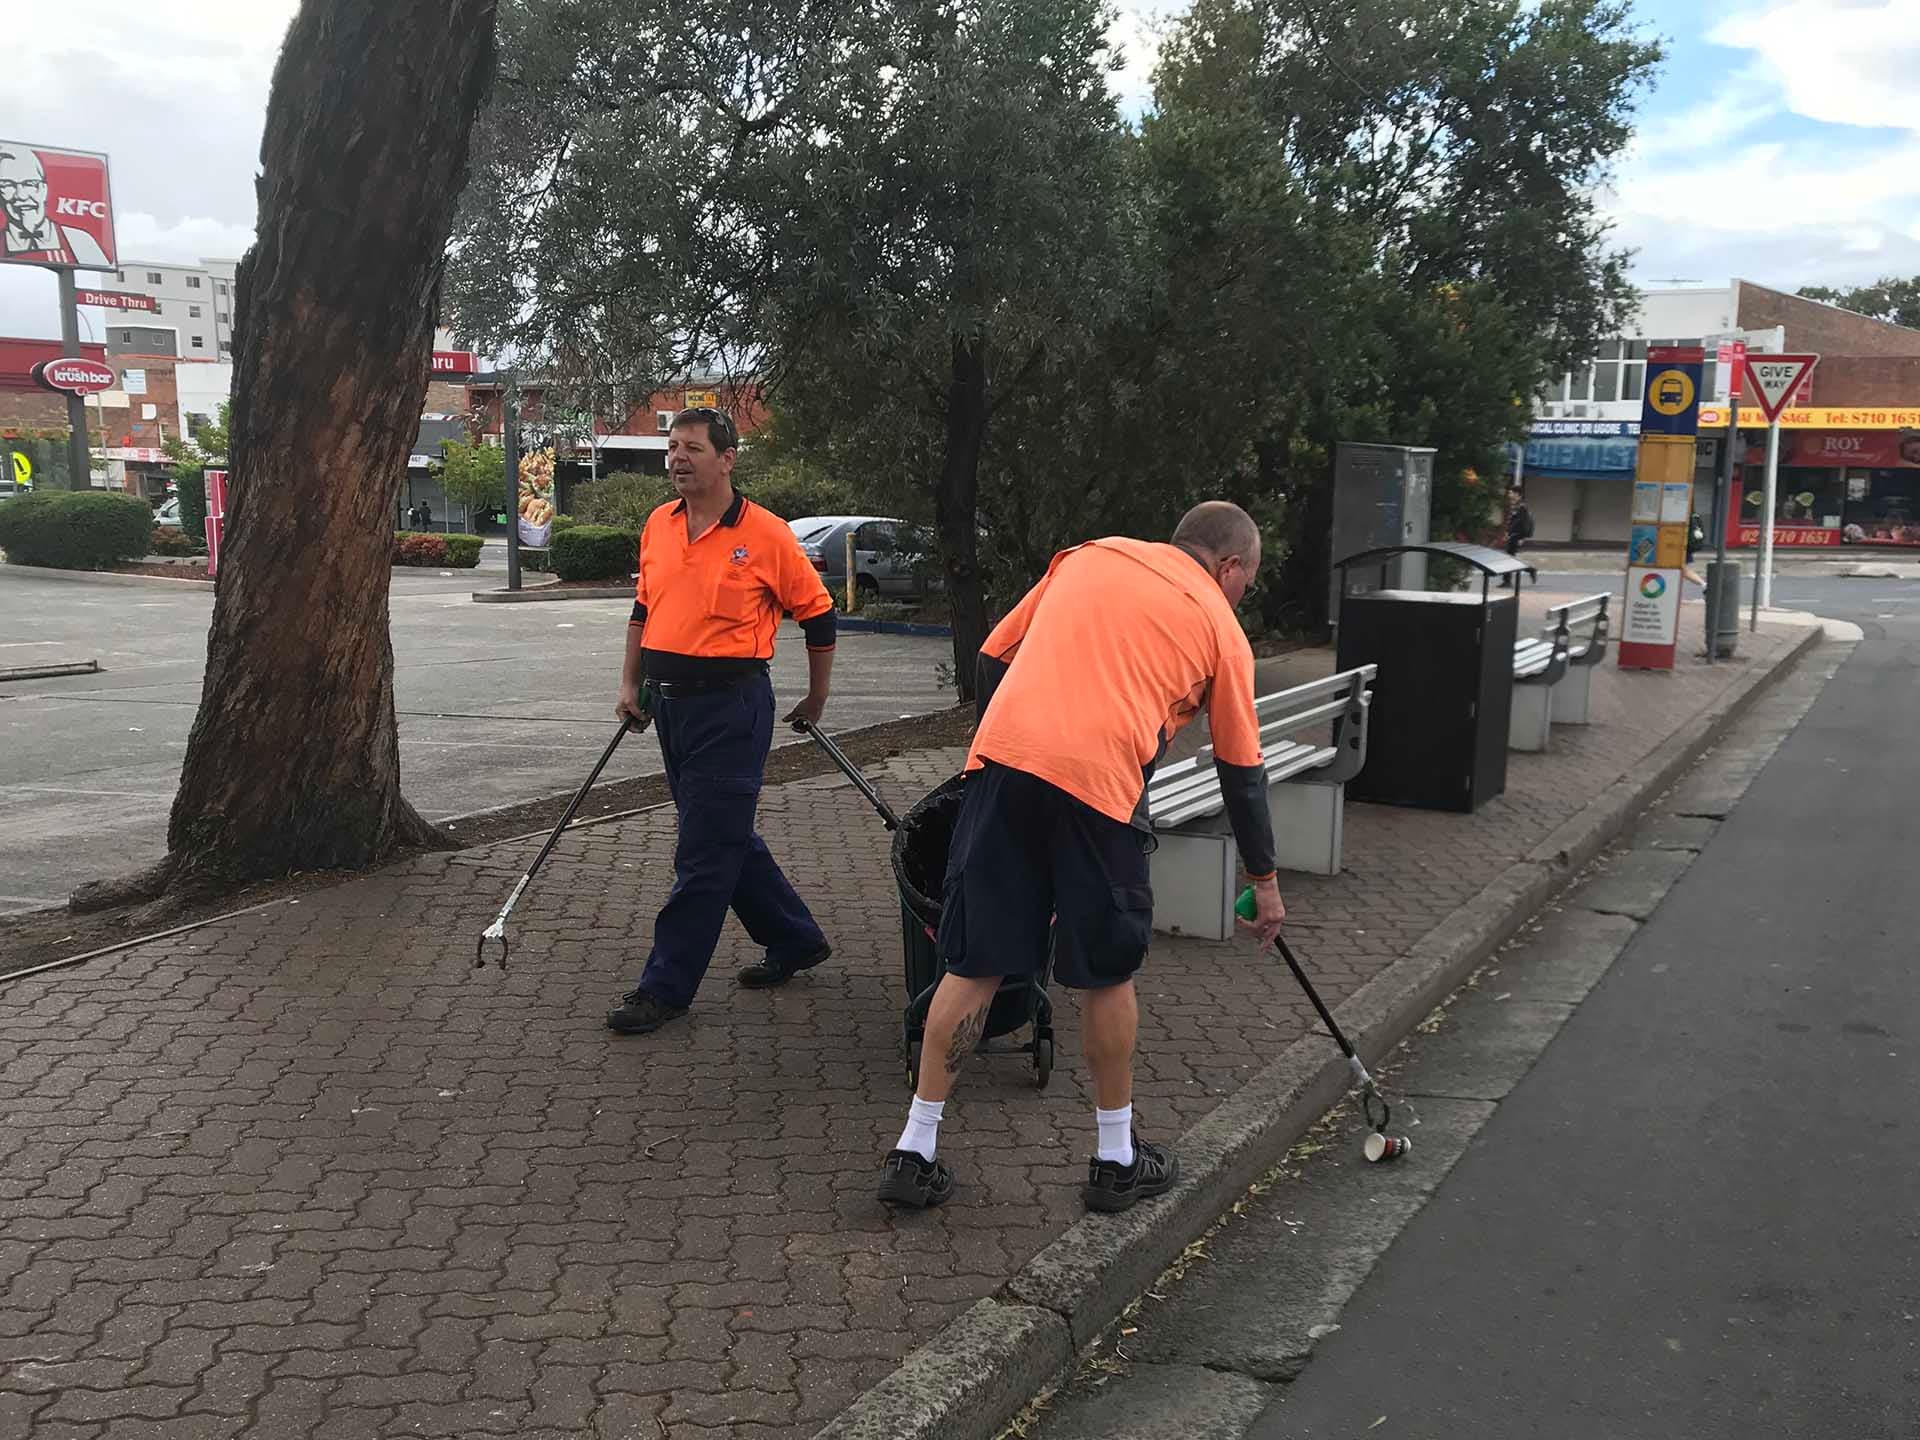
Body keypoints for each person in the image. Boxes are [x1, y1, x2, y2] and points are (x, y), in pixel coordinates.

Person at [876, 501, 1288, 1214]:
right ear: (1229, 567)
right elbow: (1241, 770)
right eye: (1246, 580)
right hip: (1100, 793)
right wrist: (1264, 882)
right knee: (1106, 973)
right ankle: (1115, 1161)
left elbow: (990, 656)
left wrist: (1005, 754)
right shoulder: (1223, 629)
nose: (1242, 593)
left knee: (973, 965)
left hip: (1004, 771)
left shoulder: (1090, 554)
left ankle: (915, 1151)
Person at [605, 407, 838, 1036]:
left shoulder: (766, 534)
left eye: (693, 448)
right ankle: (794, 939)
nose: (678, 458)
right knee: (723, 834)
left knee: (704, 853)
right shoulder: (658, 523)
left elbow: (817, 616)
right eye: (672, 447)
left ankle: (665, 988)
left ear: (727, 458)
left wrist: (817, 698)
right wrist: (631, 683)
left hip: (730, 709)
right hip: (668, 706)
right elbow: (642, 609)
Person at [1503, 486, 1533, 586]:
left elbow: (1522, 523)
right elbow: (1512, 521)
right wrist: (1507, 532)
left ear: (1517, 494)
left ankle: (1507, 581)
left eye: (1511, 493)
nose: (1509, 494)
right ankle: (1530, 570)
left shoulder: (1522, 506)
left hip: (1516, 535)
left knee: (1509, 557)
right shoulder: (1515, 505)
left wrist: (1521, 537)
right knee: (1510, 557)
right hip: (1513, 534)